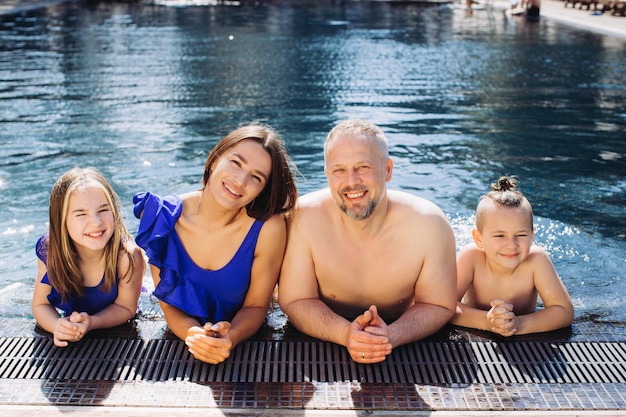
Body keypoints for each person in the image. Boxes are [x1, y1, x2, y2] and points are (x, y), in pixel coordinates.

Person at [278, 119, 457, 364]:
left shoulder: (429, 224)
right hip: (321, 346)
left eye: (363, 167)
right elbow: (295, 299)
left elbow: (438, 304)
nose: (351, 181)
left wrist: (391, 335)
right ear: (327, 174)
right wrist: (344, 333)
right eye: (339, 170)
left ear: (388, 170)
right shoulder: (303, 219)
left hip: (401, 346)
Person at [133, 122, 298, 364]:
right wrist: (194, 335)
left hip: (242, 338)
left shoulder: (267, 229)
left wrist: (231, 336)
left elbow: (255, 306)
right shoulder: (164, 218)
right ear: (214, 160)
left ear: (262, 191)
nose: (240, 180)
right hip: (183, 338)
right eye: (235, 162)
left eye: (256, 177)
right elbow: (169, 307)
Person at [32, 167, 145, 347]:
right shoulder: (50, 251)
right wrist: (57, 326)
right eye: (81, 214)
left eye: (103, 210)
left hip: (118, 318)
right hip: (75, 317)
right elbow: (40, 305)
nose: (96, 222)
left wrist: (92, 322)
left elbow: (126, 308)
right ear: (61, 221)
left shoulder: (127, 257)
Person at [451, 176, 574, 337]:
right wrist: (486, 322)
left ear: (531, 237)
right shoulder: (471, 257)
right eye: (500, 235)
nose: (511, 245)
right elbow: (443, 305)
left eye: (521, 235)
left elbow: (564, 311)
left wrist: (519, 324)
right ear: (479, 239)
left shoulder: (536, 261)